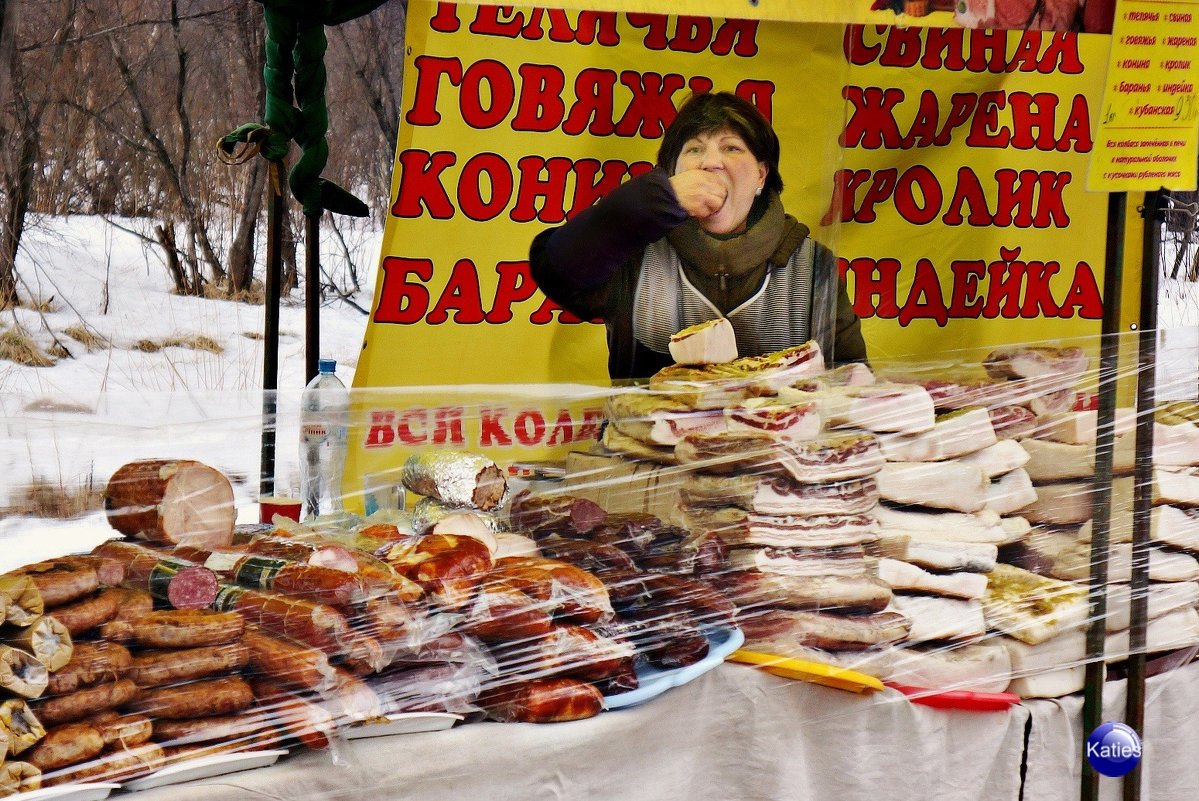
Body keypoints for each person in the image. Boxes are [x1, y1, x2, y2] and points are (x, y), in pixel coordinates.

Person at [529, 91, 866, 381]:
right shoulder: (635, 251)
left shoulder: (811, 265)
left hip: (775, 453)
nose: (711, 163)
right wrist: (654, 202)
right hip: (649, 450)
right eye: (694, 150)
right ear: (672, 174)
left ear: (762, 175)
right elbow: (557, 269)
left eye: (731, 148)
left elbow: (851, 379)